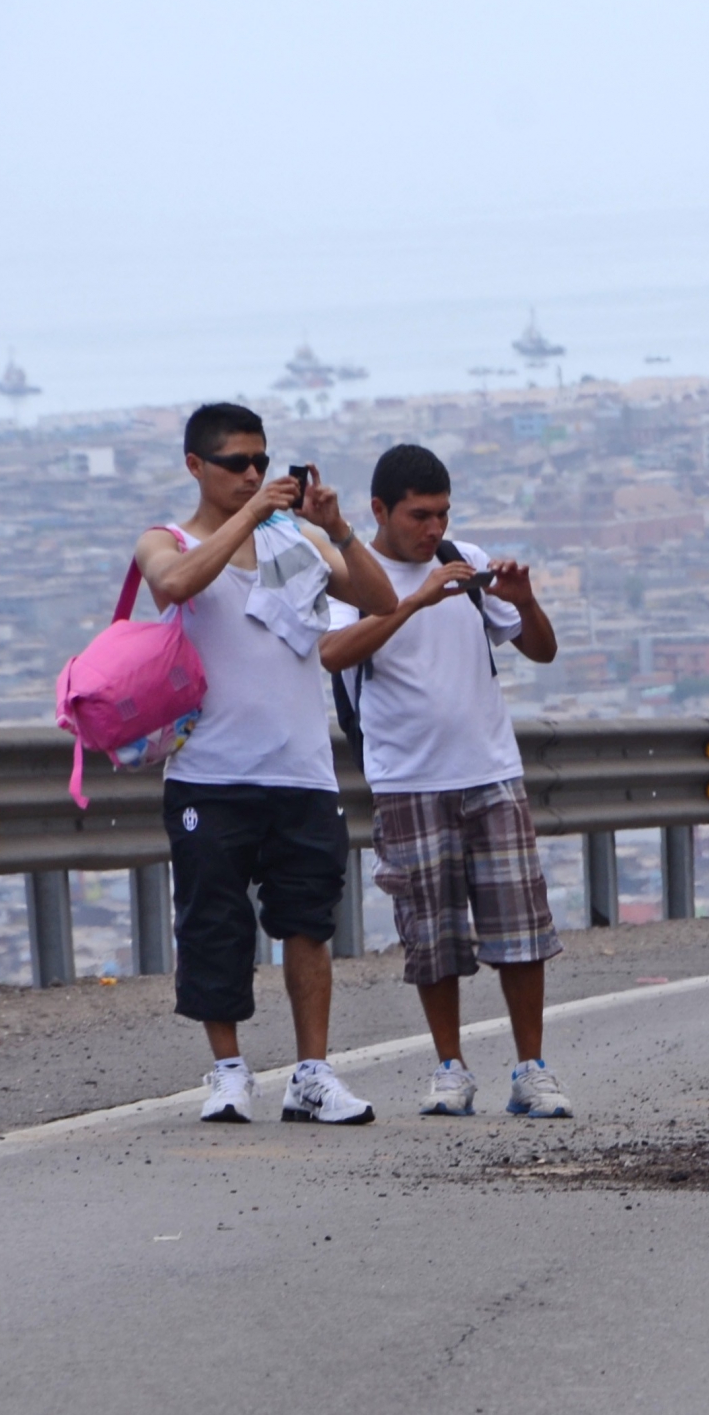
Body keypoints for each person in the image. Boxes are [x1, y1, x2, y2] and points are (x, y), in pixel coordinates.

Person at [140, 403, 400, 1123]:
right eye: (236, 464)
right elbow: (176, 585)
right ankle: (227, 1070)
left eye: (262, 461)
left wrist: (336, 527)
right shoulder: (164, 539)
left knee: (308, 923)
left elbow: (380, 599)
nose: (253, 474)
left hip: (301, 769)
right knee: (214, 925)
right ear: (196, 465)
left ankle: (312, 1073)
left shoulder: (298, 542)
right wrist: (252, 513)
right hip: (209, 772)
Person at [320, 444, 571, 1117]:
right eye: (419, 516)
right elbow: (331, 654)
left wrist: (524, 600)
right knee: (431, 935)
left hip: (491, 768)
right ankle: (449, 1065)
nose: (433, 530)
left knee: (520, 928)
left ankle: (531, 1067)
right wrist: (414, 601)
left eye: (442, 515)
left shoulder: (468, 559)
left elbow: (541, 649)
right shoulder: (352, 576)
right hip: (407, 778)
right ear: (380, 511)